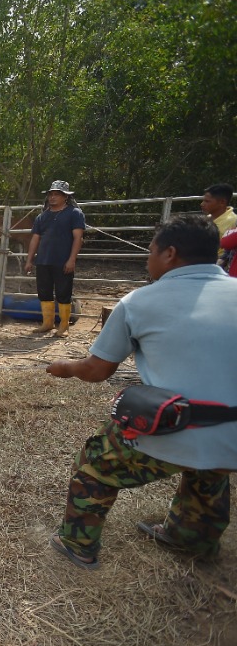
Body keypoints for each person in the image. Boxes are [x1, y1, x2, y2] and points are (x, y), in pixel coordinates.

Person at [46, 214, 237, 569]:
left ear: (169, 254)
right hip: (232, 440)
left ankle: (77, 544)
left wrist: (64, 367)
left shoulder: (140, 302)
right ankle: (191, 538)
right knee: (211, 465)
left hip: (180, 425)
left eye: (150, 251)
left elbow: (97, 370)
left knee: (95, 463)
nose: (147, 258)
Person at [24, 180, 85, 337]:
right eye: (50, 194)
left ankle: (64, 326)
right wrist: (29, 260)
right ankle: (48, 323)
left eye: (57, 194)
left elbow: (78, 238)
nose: (52, 197)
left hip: (63, 260)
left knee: (63, 293)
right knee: (44, 292)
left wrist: (72, 259)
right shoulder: (42, 217)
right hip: (43, 260)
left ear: (65, 197)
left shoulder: (74, 213)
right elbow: (35, 239)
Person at [202, 183, 236, 267]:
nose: (202, 204)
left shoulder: (233, 221)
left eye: (207, 201)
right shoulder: (207, 218)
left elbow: (227, 252)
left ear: (222, 202)